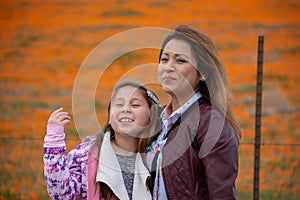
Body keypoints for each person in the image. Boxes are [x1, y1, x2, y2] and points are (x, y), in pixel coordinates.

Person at [146, 25, 242, 199]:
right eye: (164, 59)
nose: (168, 66)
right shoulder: (156, 120)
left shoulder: (211, 124)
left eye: (180, 60)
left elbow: (222, 195)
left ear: (203, 73)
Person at [43, 80, 161, 200]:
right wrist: (54, 143)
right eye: (119, 104)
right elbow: (62, 193)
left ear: (150, 117)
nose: (125, 109)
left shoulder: (156, 156)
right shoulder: (85, 156)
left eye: (135, 105)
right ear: (109, 117)